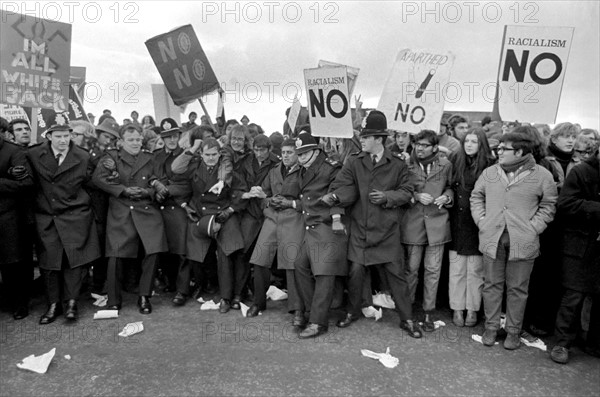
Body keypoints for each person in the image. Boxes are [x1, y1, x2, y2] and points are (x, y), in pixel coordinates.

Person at [325, 110, 423, 338]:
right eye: (362, 135)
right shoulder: (354, 162)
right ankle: (352, 311)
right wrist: (336, 207)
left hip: (387, 231)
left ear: (379, 139)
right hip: (360, 230)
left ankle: (407, 318)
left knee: (396, 276)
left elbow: (408, 192)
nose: (362, 139)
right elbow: (340, 188)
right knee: (356, 272)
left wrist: (388, 197)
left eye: (367, 136)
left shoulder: (398, 165)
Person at [471, 132, 557, 350]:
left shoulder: (542, 175)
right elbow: (476, 196)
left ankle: (513, 332)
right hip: (492, 237)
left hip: (523, 240)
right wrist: (482, 220)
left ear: (519, 152)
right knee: (491, 285)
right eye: (498, 148)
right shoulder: (490, 172)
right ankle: (490, 328)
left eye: (504, 149)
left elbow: (549, 205)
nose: (498, 152)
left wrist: (534, 227)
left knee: (518, 289)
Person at [27, 124, 101, 323]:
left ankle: (71, 302)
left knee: (74, 261)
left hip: (75, 215)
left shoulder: (83, 157)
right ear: (49, 136)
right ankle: (53, 304)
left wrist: (94, 216)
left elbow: (93, 187)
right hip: (47, 216)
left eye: (66, 136)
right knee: (50, 262)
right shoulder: (34, 155)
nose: (63, 140)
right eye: (58, 136)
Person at [92, 123, 168, 314]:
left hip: (146, 209)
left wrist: (148, 191)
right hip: (122, 209)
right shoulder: (111, 158)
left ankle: (144, 296)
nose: (135, 143)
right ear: (121, 141)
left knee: (153, 251)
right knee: (116, 255)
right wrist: (122, 190)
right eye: (131, 140)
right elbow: (98, 179)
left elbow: (161, 181)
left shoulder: (150, 158)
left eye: (138, 139)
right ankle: (114, 299)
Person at [179, 138, 246, 313]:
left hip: (222, 213)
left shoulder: (226, 170)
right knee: (194, 252)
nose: (210, 158)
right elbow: (182, 188)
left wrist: (230, 210)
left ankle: (227, 297)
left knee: (227, 252)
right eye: (207, 155)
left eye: (214, 155)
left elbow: (240, 191)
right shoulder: (193, 169)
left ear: (219, 154)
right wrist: (185, 206)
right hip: (200, 213)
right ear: (201, 154)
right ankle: (201, 285)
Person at [293, 130, 348, 339]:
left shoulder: (331, 168)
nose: (302, 158)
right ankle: (315, 310)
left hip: (326, 225)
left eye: (305, 153)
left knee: (324, 274)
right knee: (300, 265)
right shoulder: (303, 169)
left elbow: (338, 194)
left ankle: (318, 322)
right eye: (300, 154)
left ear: (316, 151)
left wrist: (335, 219)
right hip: (310, 226)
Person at [550, 142, 600, 364]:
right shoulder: (582, 171)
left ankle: (593, 343)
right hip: (581, 244)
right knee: (574, 295)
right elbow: (566, 203)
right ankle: (562, 343)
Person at [247, 138, 305, 324]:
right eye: (284, 152)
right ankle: (258, 302)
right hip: (272, 218)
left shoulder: (304, 172)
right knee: (259, 259)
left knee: (292, 262)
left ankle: (297, 308)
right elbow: (262, 196)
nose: (286, 156)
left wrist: (291, 204)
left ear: (298, 154)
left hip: (293, 218)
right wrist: (268, 202)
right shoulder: (273, 171)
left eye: (290, 152)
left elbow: (309, 199)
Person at [401, 129, 453, 331]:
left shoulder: (446, 165)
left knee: (433, 270)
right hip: (413, 224)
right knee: (411, 269)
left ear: (434, 147)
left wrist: (446, 197)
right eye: (417, 144)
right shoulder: (407, 164)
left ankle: (429, 312)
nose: (419, 148)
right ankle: (407, 310)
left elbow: (451, 187)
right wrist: (415, 195)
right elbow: (400, 189)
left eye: (424, 145)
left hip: (437, 224)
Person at [448, 128, 494, 327]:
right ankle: (457, 308)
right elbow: (448, 185)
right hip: (458, 221)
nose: (469, 145)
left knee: (476, 270)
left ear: (481, 144)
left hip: (478, 223)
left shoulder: (490, 166)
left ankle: (473, 309)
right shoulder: (455, 161)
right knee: (457, 268)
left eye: (474, 141)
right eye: (467, 141)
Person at [0, 133, 34, 319]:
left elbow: (27, 183)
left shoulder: (15, 152)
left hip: (9, 215)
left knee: (13, 263)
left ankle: (19, 304)